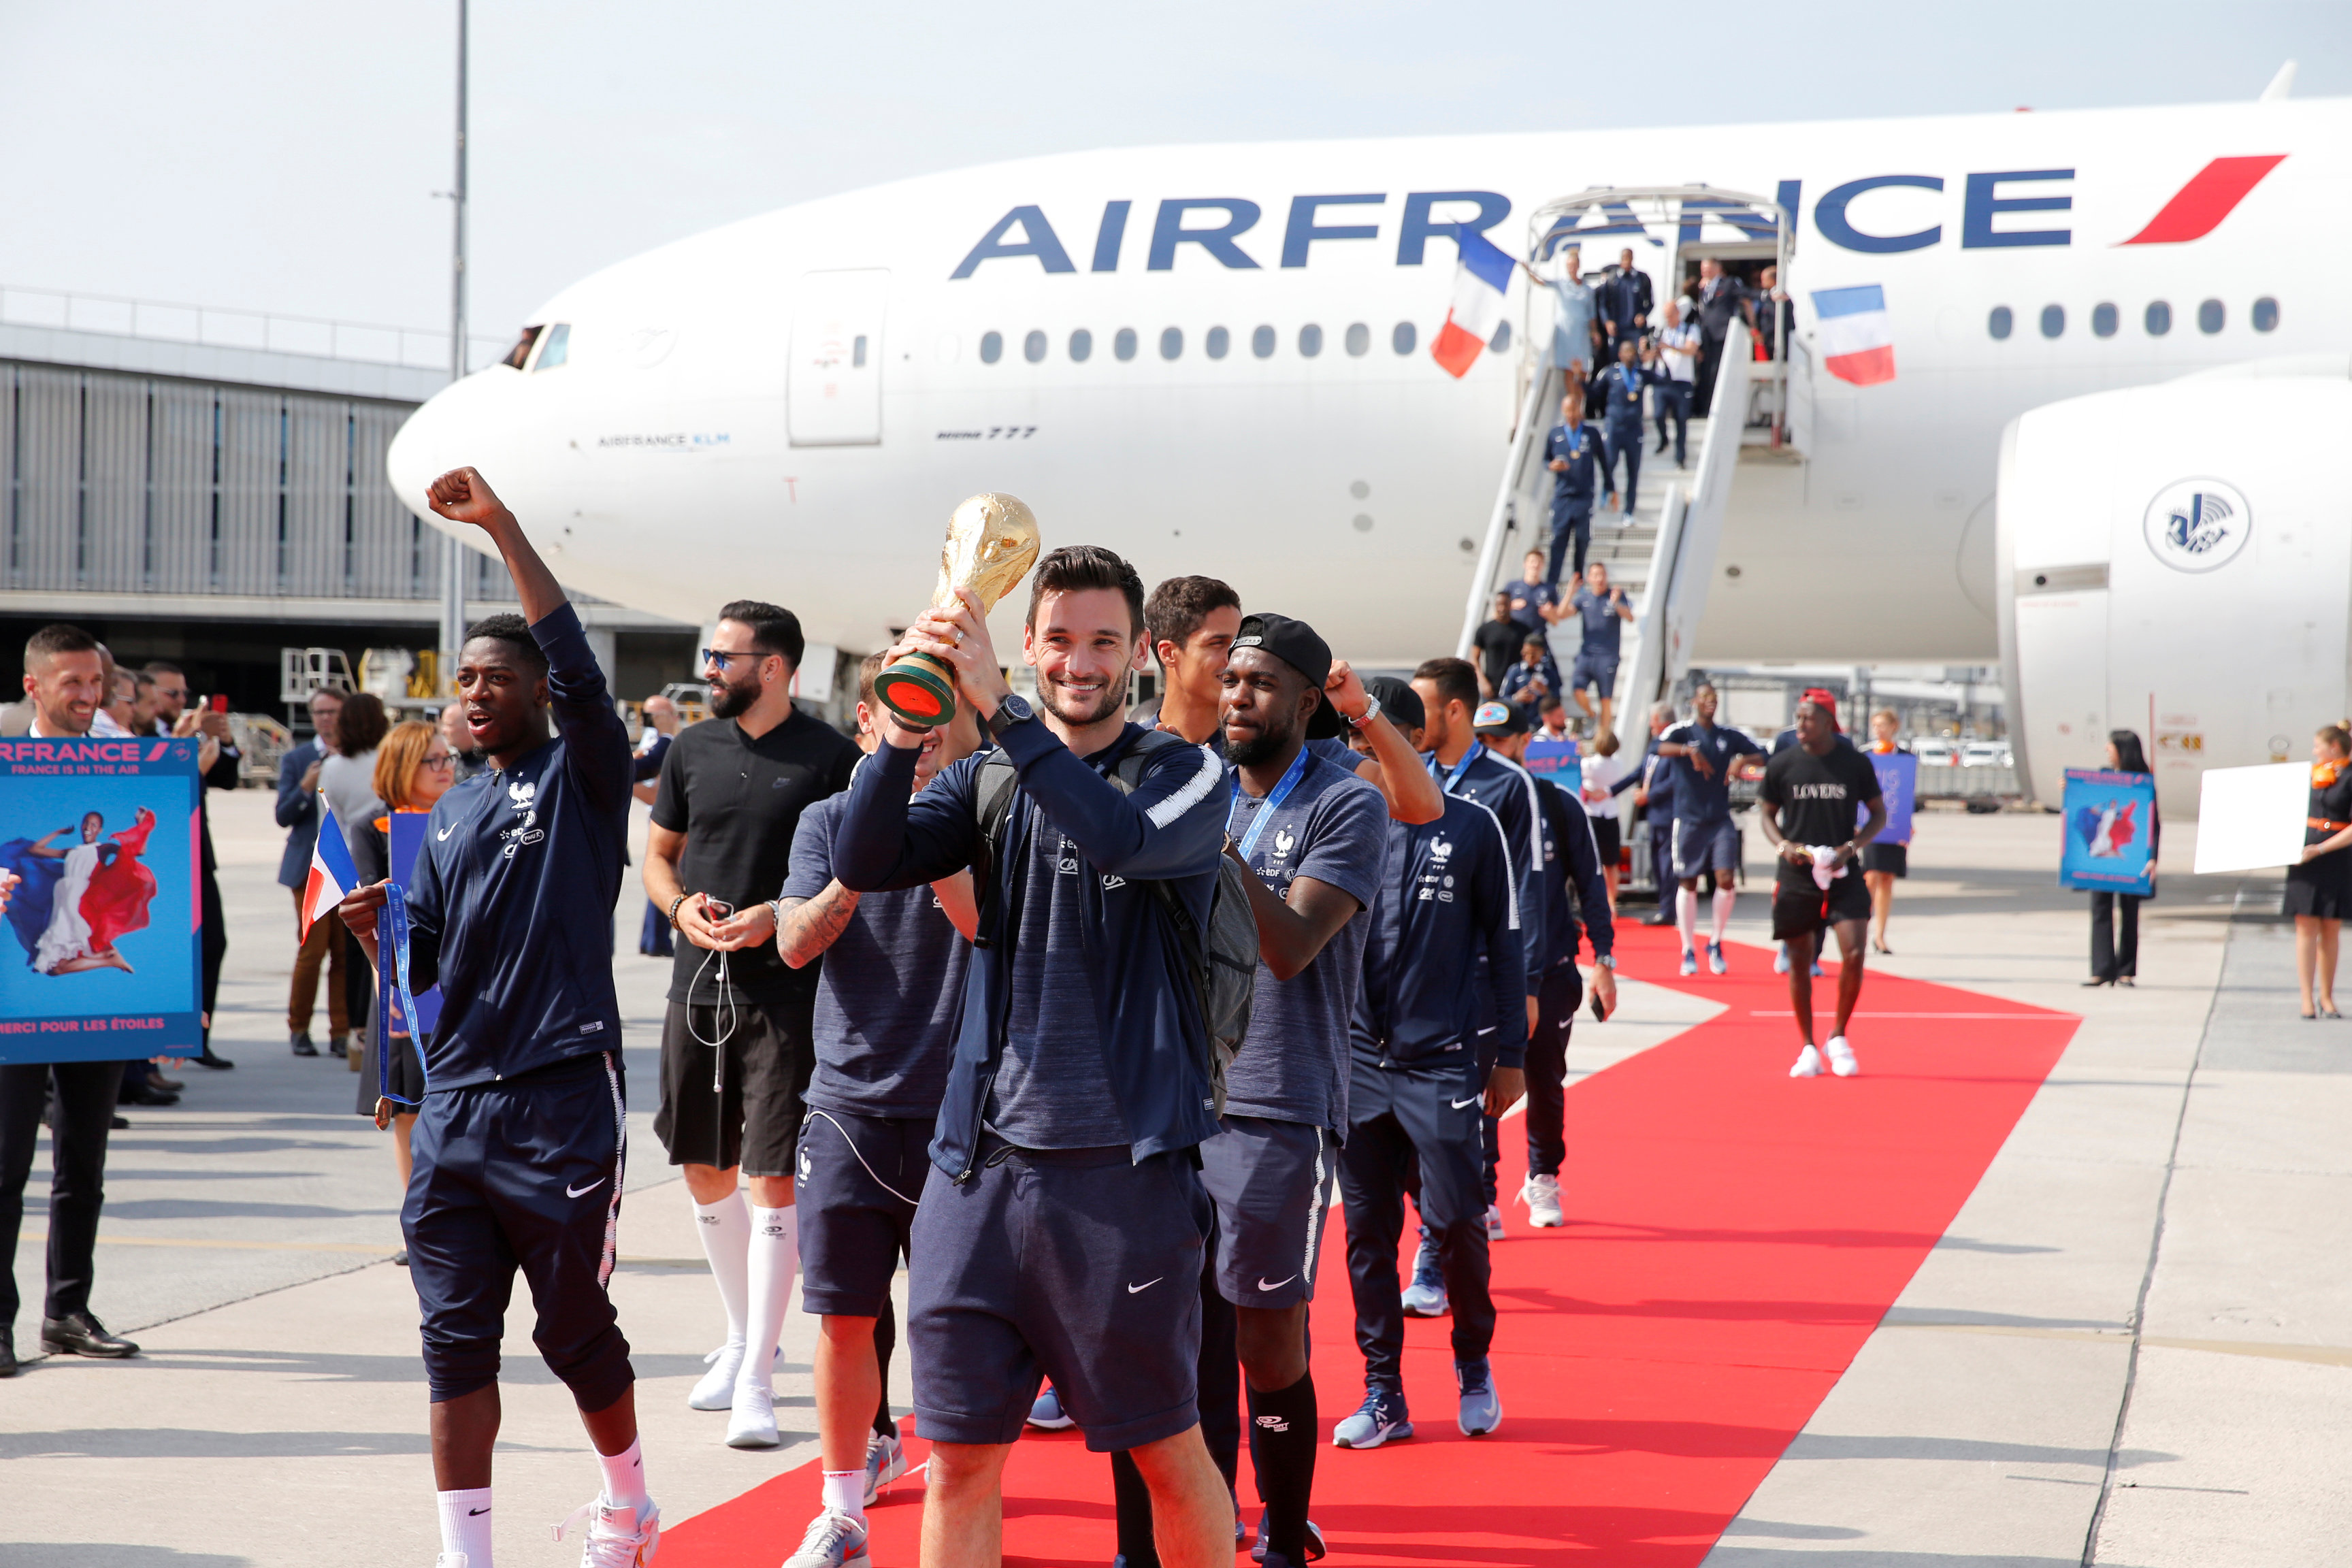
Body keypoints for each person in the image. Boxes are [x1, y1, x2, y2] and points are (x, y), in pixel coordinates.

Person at [832, 544, 1236, 1568]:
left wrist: (1004, 711)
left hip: (1123, 1176)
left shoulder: (1186, 774)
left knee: (1162, 1451)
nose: (1079, 662)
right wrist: (906, 721)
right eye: (1058, 640)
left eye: (1103, 640)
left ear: (1141, 651)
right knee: (960, 1461)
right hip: (977, 1173)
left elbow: (1123, 844)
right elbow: (862, 860)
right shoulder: (984, 776)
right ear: (1028, 643)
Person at [336, 466, 661, 1568]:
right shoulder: (454, 800)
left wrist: (504, 528)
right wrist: (385, 931)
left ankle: (629, 1500)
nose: (473, 692)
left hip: (563, 1098)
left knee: (573, 1330)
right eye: (462, 678)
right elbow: (425, 964)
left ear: (535, 691)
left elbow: (573, 658)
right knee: (451, 1341)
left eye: (494, 676)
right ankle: (464, 1553)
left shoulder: (584, 773)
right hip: (457, 1111)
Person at [772, 652, 981, 1568]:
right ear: (870, 726)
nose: (924, 732)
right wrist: (867, 846)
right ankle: (843, 1508)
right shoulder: (825, 820)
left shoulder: (983, 816)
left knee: (958, 1321)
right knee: (844, 1318)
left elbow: (984, 927)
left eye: (939, 718)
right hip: (851, 1104)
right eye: (904, 716)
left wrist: (927, 840)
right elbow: (792, 942)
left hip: (964, 1111)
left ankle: (969, 1492)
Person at [644, 600, 860, 1449]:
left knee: (773, 1178)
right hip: (696, 987)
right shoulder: (689, 749)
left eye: (723, 657)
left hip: (789, 995)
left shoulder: (832, 759)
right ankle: (743, 1337)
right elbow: (659, 857)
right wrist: (681, 907)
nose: (709, 670)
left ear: (773, 668)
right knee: (704, 1168)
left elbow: (851, 879)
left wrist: (777, 912)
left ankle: (761, 1381)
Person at [1334, 681, 1527, 1450]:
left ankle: (1473, 1363)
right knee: (1364, 1236)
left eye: (1369, 739)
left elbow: (1506, 947)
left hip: (1441, 1062)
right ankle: (1384, 1394)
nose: (1356, 756)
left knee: (1453, 1224)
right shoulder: (1333, 825)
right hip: (1356, 1067)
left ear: (1410, 740)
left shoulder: (1471, 826)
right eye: (1348, 740)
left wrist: (1509, 1055)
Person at [0, 623, 144, 1378]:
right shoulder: (2, 757)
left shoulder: (130, 763)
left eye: (97, 684)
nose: (89, 698)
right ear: (35, 687)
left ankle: (67, 1310)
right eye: (74, 685)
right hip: (12, 992)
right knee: (5, 1165)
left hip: (92, 992)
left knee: (83, 1161)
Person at [1406, 662, 1545, 1272]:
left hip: (1484, 981)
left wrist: (1528, 987)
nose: (1410, 720)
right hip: (1420, 984)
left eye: (1423, 707)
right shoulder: (1409, 779)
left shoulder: (1509, 786)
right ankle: (1462, 1214)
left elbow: (1527, 893)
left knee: (1469, 1113)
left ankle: (1450, 1237)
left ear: (1455, 711)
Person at [1143, 574, 1439, 826]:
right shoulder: (1135, 747)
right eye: (1217, 643)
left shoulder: (1284, 738)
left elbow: (1421, 807)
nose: (1234, 657)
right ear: (1168, 653)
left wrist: (1362, 709)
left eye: (1235, 643)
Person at [1477, 702, 1616, 1230]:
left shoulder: (1558, 805)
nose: (1491, 752)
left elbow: (1591, 886)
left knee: (1544, 1079)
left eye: (1501, 741)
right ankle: (1484, 1192)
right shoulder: (1466, 803)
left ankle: (1542, 1178)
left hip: (1553, 971)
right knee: (1483, 1082)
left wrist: (1604, 960)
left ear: (1524, 741)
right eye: (1483, 742)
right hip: (1488, 975)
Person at [345, 719, 458, 1267]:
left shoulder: (466, 814)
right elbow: (370, 915)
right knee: (409, 1110)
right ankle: (423, 1226)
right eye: (432, 761)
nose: (446, 768)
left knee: (461, 1102)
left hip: (463, 979)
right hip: (399, 983)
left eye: (448, 757)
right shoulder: (373, 829)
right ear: (402, 769)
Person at [1757, 695, 1886, 1077]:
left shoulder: (1854, 763)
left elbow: (1879, 813)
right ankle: (1808, 1046)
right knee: (1799, 961)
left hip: (1843, 871)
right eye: (1797, 716)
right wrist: (1783, 846)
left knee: (1854, 953)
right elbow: (1765, 812)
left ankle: (1839, 1035)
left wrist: (1853, 847)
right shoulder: (1783, 763)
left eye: (1807, 717)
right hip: (1797, 874)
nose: (1799, 723)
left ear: (1829, 721)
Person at [144, 660, 240, 1071]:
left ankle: (197, 1039)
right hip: (161, 859)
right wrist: (184, 758)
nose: (182, 701)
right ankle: (154, 1048)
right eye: (173, 694)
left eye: (185, 694)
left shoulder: (185, 736)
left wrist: (226, 740)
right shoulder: (145, 737)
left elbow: (229, 778)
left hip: (198, 857)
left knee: (213, 944)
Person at [1655, 683, 1766, 976]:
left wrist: (1742, 759)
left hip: (1719, 819)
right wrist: (1686, 751)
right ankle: (1688, 948)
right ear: (1694, 701)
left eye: (1714, 699)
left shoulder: (1727, 736)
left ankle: (1716, 942)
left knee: (1726, 880)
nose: (1710, 703)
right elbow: (1657, 747)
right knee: (1688, 883)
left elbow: (1763, 754)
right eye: (1704, 697)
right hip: (1688, 819)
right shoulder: (1682, 731)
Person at [278, 687, 350, 1058]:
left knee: (345, 952)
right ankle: (299, 1028)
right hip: (310, 869)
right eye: (320, 712)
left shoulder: (357, 755)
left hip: (348, 867)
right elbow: (282, 816)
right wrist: (307, 786)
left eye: (333, 711)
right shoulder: (298, 758)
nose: (326, 718)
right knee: (313, 950)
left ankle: (341, 1031)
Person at [2288, 724, 2352, 1019]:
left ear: (2334, 747)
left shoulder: (2349, 777)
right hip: (2305, 857)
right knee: (2305, 925)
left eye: (2319, 746)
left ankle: (2326, 996)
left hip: (2336, 856)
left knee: (2330, 927)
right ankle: (2306, 998)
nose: (2315, 752)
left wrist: (2322, 849)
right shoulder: (2309, 776)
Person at [2085, 730, 2157, 990]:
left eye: (2111, 745)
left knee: (2130, 913)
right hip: (2103, 856)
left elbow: (2152, 823)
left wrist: (2152, 858)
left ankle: (2126, 971)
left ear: (2122, 750)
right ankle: (2101, 970)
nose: (2107, 748)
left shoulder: (2143, 781)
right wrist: (2067, 787)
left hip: (2131, 855)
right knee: (2100, 909)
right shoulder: (2102, 776)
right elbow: (2085, 802)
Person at [1541, 392, 1605, 591]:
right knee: (1558, 539)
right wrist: (1552, 465)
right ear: (1563, 411)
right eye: (1567, 410)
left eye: (1574, 409)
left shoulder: (1591, 434)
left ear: (1579, 409)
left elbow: (1603, 461)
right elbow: (1545, 460)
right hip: (1562, 496)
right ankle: (1551, 585)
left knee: (1582, 539)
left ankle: (1578, 581)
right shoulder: (1555, 434)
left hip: (1583, 495)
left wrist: (1610, 488)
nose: (1571, 414)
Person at [631, 694, 679, 960]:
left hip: (659, 817)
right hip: (665, 819)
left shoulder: (652, 744)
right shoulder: (661, 745)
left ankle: (653, 939)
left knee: (660, 874)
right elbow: (650, 788)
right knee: (666, 875)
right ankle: (657, 940)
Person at [1595, 338, 1661, 525]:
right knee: (1610, 463)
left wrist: (1658, 359)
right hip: (1615, 427)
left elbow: (1663, 380)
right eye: (1627, 352)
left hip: (1634, 430)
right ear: (1620, 355)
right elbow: (1595, 393)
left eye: (1633, 352)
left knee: (1633, 471)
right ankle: (1607, 492)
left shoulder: (1641, 374)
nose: (1630, 355)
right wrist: (1578, 380)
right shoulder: (1610, 373)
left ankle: (1628, 511)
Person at [1860, 709, 1910, 955]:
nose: (1879, 730)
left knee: (1888, 878)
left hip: (1894, 825)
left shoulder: (1904, 758)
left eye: (1883, 725)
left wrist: (1907, 824)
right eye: (1875, 725)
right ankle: (1861, 927)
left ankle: (1880, 936)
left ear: (1894, 726)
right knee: (1870, 877)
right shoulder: (1866, 758)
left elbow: (1905, 794)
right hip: (1871, 823)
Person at [1625, 702, 1679, 926]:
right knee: (1657, 864)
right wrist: (1609, 791)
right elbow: (1639, 772)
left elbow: (1674, 780)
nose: (1650, 725)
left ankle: (1668, 911)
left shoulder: (1676, 744)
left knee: (1667, 864)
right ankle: (1664, 907)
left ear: (1663, 721)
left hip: (1668, 813)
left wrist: (1650, 796)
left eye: (1653, 720)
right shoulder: (1655, 746)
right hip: (1654, 815)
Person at [1566, 560, 1633, 736]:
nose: (1599, 579)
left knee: (1606, 699)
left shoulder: (1616, 595)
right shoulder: (1584, 598)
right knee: (1577, 689)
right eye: (1595, 575)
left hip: (1608, 656)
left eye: (1602, 575)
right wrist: (1569, 593)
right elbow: (1561, 615)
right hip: (1587, 654)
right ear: (1589, 578)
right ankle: (1591, 714)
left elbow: (1630, 617)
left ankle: (1603, 738)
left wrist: (1616, 603)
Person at [1691, 258, 1755, 418]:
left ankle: (1714, 409)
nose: (1705, 272)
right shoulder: (1704, 289)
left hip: (1722, 335)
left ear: (1717, 268)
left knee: (1717, 373)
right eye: (1703, 269)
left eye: (1708, 268)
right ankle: (1703, 408)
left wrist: (1765, 294)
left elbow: (1746, 295)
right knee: (1705, 374)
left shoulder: (1729, 283)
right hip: (1707, 338)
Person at [1579, 729, 1628, 913]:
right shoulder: (1618, 764)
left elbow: (1584, 769)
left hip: (1593, 813)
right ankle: (1612, 901)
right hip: (1611, 813)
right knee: (1612, 862)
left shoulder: (1589, 764)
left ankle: (1593, 899)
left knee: (1592, 861)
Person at [1541, 244, 1599, 378]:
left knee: (1583, 368)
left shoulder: (1587, 290)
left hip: (1582, 331)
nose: (1571, 269)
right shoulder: (1562, 284)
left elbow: (1592, 314)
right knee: (1568, 367)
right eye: (1569, 266)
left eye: (1573, 265)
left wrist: (1595, 332)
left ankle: (1580, 398)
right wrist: (1527, 269)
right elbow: (1542, 282)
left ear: (1578, 266)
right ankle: (1571, 396)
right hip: (1567, 330)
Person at [1652, 299, 1699, 467]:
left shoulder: (1690, 329)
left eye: (1671, 315)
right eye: (1666, 316)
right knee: (1658, 415)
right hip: (1663, 381)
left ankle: (1680, 457)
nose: (1668, 319)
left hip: (1682, 382)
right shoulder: (1660, 332)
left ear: (1678, 313)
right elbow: (1652, 356)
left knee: (1681, 420)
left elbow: (1691, 350)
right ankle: (1664, 439)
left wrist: (1669, 346)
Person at [1597, 248, 1654, 360]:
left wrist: (1643, 314)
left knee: (1636, 360)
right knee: (1615, 360)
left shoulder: (1641, 279)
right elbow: (1602, 304)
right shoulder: (1612, 279)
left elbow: (1651, 303)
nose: (1627, 261)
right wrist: (1607, 321)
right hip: (1617, 330)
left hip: (1635, 329)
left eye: (1629, 258)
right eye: (1624, 258)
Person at [1470, 591, 1525, 699]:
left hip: (1515, 689)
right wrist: (1483, 682)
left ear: (1510, 605)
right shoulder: (1484, 630)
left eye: (1505, 604)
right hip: (1491, 688)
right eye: (1499, 605)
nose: (1502, 608)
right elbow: (1474, 659)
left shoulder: (1523, 630)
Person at [1501, 548, 1563, 636]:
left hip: (1536, 638)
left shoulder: (1549, 589)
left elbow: (1556, 622)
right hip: (1514, 635)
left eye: (1539, 562)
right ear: (1525, 564)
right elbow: (1498, 611)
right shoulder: (1512, 586)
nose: (1535, 565)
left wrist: (1549, 614)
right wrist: (1511, 605)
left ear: (1543, 565)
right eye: (1532, 561)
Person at [1497, 635, 1561, 715]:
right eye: (1526, 654)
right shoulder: (1515, 670)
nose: (1529, 658)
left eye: (1533, 655)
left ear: (1541, 652)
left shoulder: (1549, 673)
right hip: (1518, 719)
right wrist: (1516, 698)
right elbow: (1502, 698)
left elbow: (1557, 699)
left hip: (1540, 721)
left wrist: (1546, 692)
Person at [440, 700, 487, 783]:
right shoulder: (453, 762)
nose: (443, 731)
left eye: (448, 725)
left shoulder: (489, 766)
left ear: (468, 727)